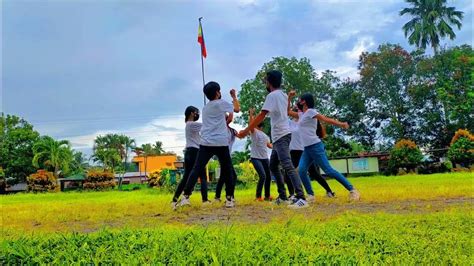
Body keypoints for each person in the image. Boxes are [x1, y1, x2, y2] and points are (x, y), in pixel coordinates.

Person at [238, 70, 308, 209]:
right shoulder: (281, 95)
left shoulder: (272, 95)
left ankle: (301, 198)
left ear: (269, 82)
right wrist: (289, 97)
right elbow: (285, 111)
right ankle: (282, 196)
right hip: (279, 137)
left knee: (287, 165)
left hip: (281, 135)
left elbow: (261, 115)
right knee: (273, 166)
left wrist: (246, 131)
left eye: (265, 81)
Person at [176, 82, 240, 208]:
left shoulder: (206, 108)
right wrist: (233, 96)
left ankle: (185, 196)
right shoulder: (221, 103)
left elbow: (223, 119)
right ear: (217, 92)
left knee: (196, 169)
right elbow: (237, 109)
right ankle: (229, 199)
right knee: (228, 171)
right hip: (221, 142)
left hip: (206, 142)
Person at [295, 93, 360, 201]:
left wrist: (341, 124)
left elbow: (325, 119)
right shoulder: (302, 114)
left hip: (315, 146)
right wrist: (288, 98)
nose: (298, 101)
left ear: (304, 101)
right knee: (301, 170)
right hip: (307, 148)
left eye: (299, 99)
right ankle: (310, 195)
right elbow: (287, 112)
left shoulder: (311, 111)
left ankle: (353, 190)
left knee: (328, 170)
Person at [287, 91, 335, 202]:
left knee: (314, 173)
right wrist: (289, 99)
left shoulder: (305, 120)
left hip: (304, 150)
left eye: (298, 109)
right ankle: (294, 194)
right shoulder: (290, 123)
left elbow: (319, 121)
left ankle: (329, 191)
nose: (298, 110)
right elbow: (287, 112)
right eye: (296, 110)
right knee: (291, 172)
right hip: (294, 151)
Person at [171, 106, 210, 209]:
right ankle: (205, 200)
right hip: (195, 152)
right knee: (202, 177)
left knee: (186, 177)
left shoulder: (188, 125)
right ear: (192, 113)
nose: (197, 114)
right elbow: (207, 125)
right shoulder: (192, 124)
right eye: (196, 112)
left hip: (188, 152)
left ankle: (174, 200)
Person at [248, 108, 273, 201]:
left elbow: (269, 146)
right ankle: (258, 197)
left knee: (268, 177)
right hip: (255, 158)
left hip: (265, 158)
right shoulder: (254, 132)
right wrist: (251, 114)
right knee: (263, 176)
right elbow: (251, 125)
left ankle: (267, 196)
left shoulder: (265, 135)